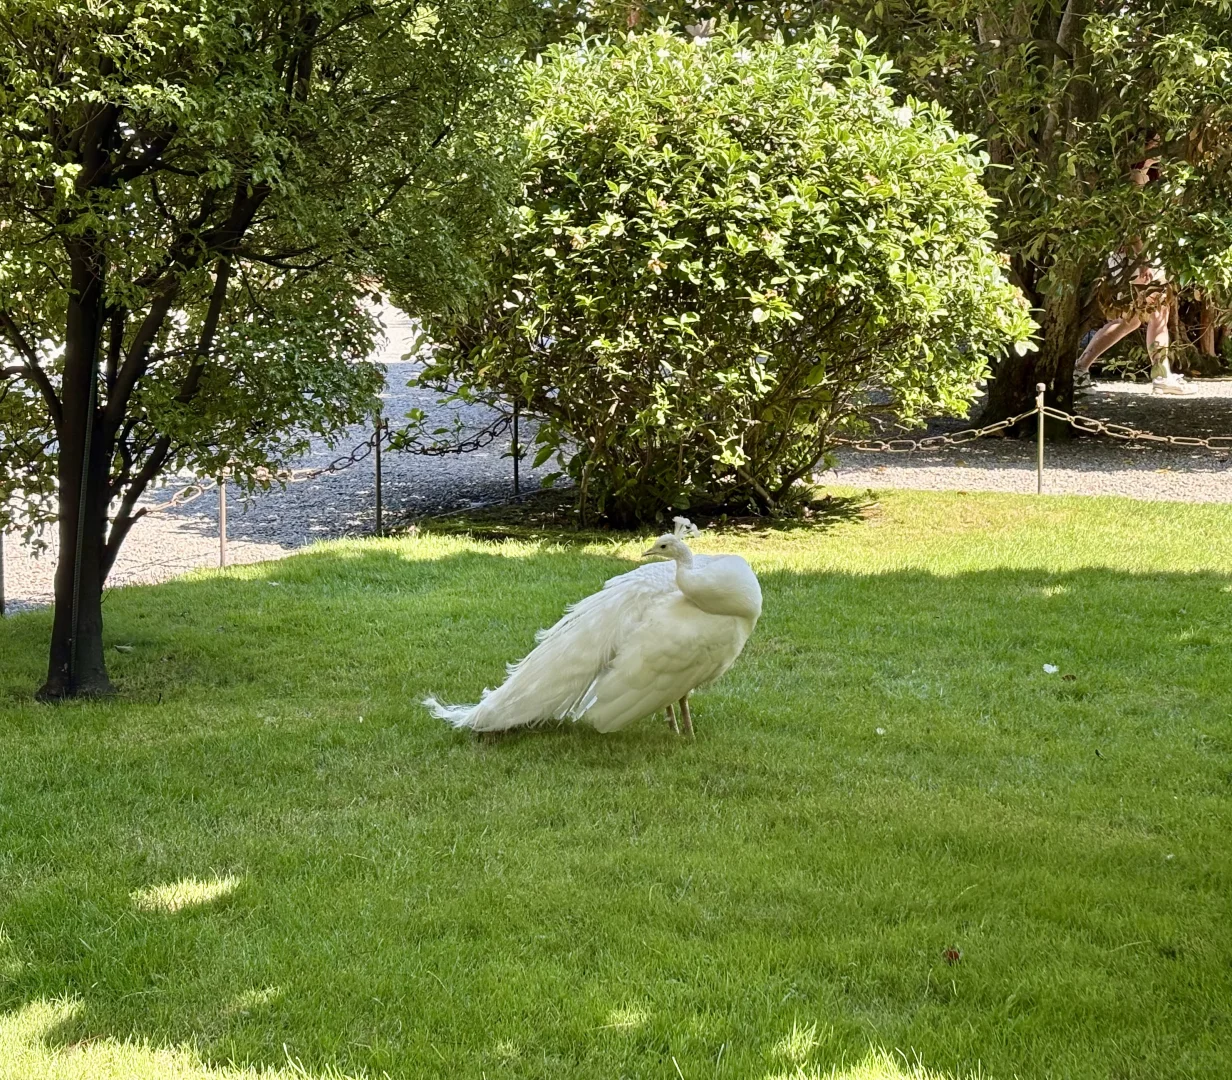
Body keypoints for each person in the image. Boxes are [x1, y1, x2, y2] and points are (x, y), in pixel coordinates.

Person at [1073, 148, 1195, 396]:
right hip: (1135, 256)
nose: (1160, 148)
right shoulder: (1133, 177)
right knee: (1153, 312)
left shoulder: (1148, 175)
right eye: (1155, 143)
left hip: (1141, 254)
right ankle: (1161, 376)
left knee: (1132, 318)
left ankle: (1080, 369)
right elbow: (1131, 224)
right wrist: (1143, 260)